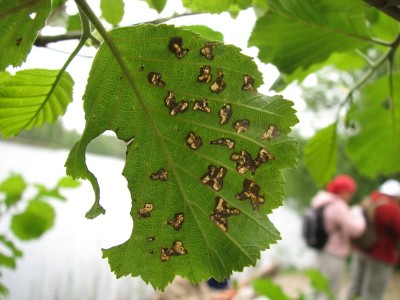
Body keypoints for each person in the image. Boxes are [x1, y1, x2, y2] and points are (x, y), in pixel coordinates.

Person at [311, 175, 366, 299]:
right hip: (335, 252)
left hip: (321, 248)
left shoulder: (323, 202)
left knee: (318, 286)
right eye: (350, 192)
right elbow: (354, 230)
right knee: (331, 289)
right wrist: (359, 216)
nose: (351, 195)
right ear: (343, 191)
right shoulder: (338, 206)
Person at [345, 179, 400, 300]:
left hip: (361, 249)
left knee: (355, 286)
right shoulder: (390, 208)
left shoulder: (370, 200)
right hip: (381, 255)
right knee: (373, 291)